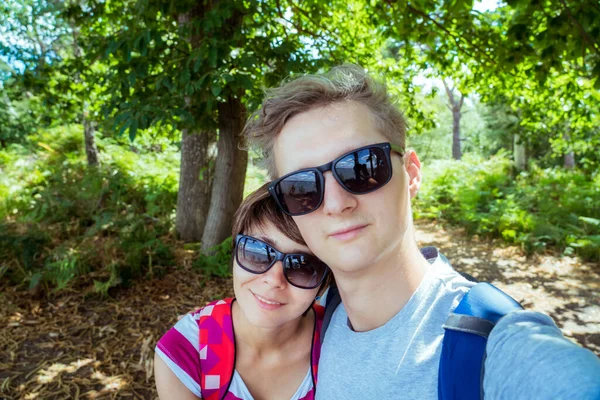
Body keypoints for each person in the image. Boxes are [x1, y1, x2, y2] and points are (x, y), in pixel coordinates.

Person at [244, 64, 600, 399]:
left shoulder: (493, 341)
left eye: (362, 166)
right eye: (301, 187)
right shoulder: (315, 316)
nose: (336, 203)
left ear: (411, 174)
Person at [154, 184, 331, 400]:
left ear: (324, 281)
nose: (274, 280)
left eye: (303, 266)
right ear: (235, 252)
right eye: (257, 252)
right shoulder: (184, 352)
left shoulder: (338, 341)